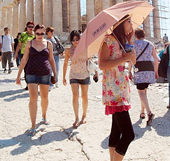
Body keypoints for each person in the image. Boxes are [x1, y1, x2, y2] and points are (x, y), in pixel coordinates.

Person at [99, 15, 136, 161]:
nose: (131, 24)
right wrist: (124, 58)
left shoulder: (123, 42)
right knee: (128, 134)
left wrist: (131, 40)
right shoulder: (108, 40)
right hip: (114, 90)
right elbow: (102, 65)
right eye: (129, 21)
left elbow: (132, 59)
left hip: (122, 88)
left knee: (116, 130)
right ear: (120, 23)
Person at [15, 24, 57, 136]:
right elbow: (24, 60)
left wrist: (55, 74)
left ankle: (44, 116)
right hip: (31, 72)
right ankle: (33, 125)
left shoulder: (49, 44)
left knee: (44, 97)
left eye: (42, 33)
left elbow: (51, 59)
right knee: (33, 98)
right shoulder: (29, 43)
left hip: (45, 73)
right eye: (37, 33)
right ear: (34, 33)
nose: (40, 35)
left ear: (45, 33)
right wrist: (18, 75)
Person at [131, 28, 159, 126]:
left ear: (135, 35)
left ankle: (149, 113)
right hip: (149, 68)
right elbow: (155, 59)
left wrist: (129, 71)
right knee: (144, 90)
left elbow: (131, 58)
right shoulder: (150, 44)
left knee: (140, 91)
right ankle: (142, 112)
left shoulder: (134, 44)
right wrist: (156, 70)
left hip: (139, 68)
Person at [63, 30, 90, 128]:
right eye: (73, 39)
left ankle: (84, 115)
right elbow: (65, 63)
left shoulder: (86, 48)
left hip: (84, 74)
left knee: (84, 96)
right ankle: (76, 118)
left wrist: (95, 72)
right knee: (75, 96)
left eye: (77, 39)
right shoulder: (68, 50)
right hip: (73, 75)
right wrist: (63, 77)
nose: (75, 41)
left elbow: (90, 60)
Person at [14, 21, 35, 90]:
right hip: (24, 53)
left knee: (33, 69)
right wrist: (16, 53)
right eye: (29, 26)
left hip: (33, 54)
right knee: (26, 69)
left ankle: (33, 83)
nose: (30, 28)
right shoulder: (23, 35)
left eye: (32, 27)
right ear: (26, 27)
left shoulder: (35, 35)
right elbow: (19, 44)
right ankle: (28, 84)